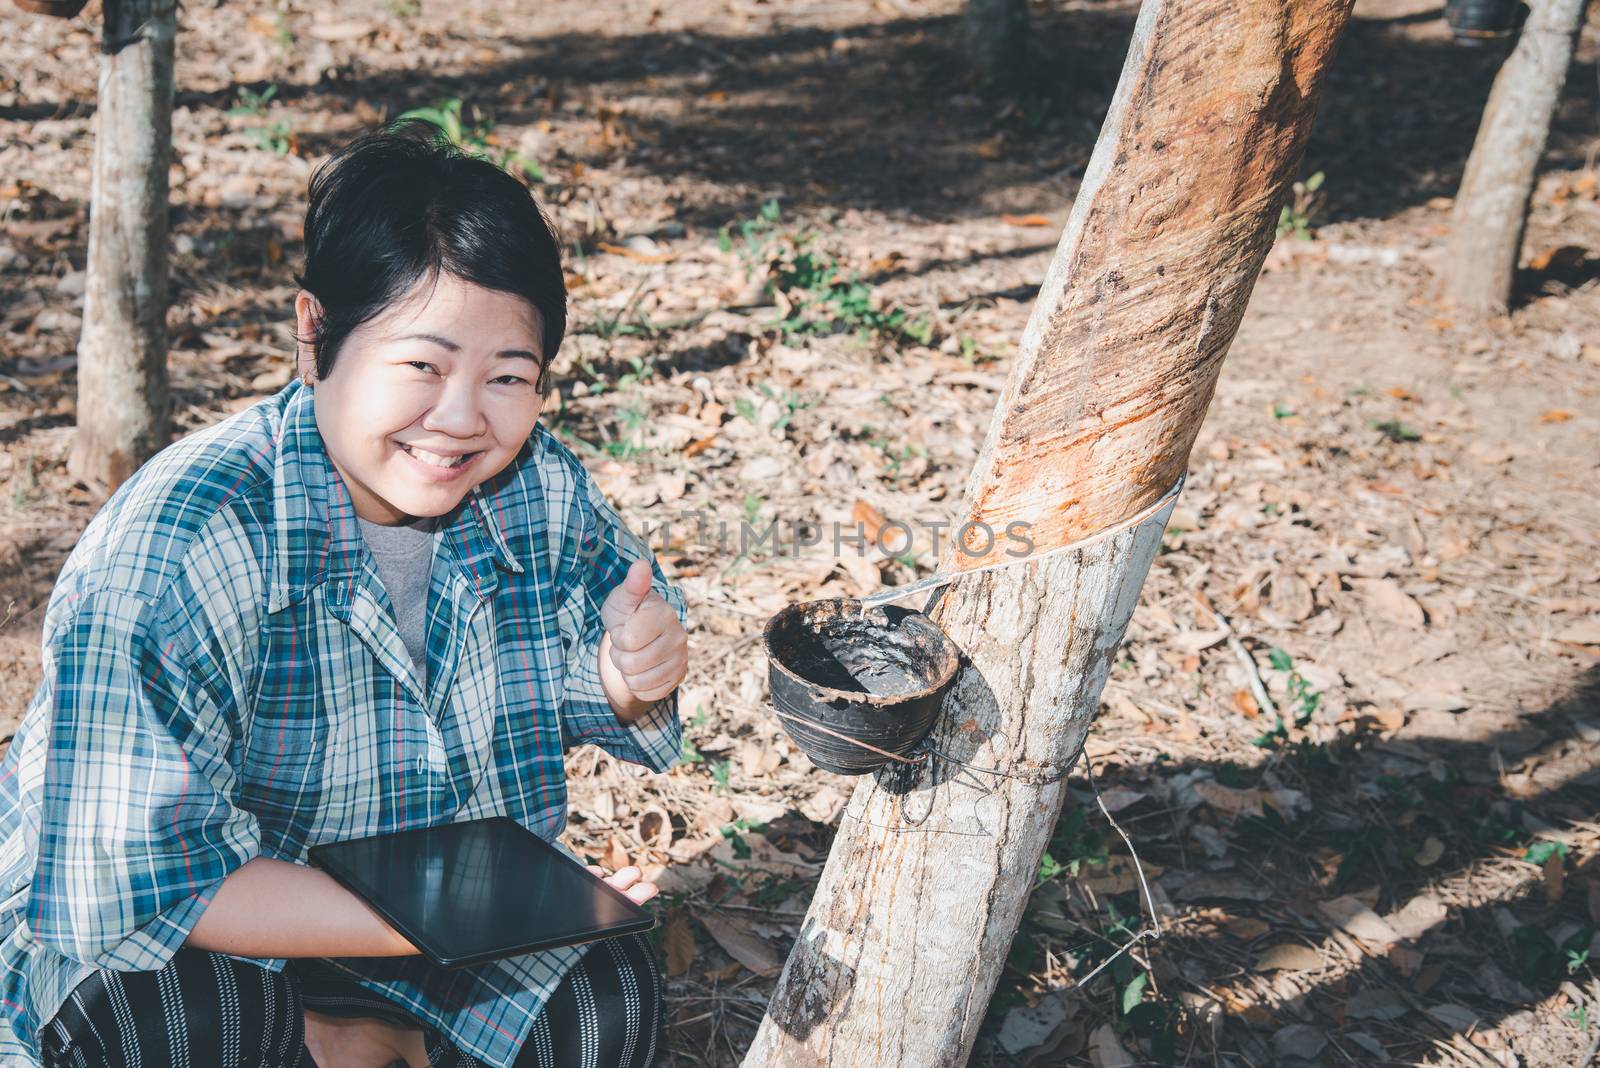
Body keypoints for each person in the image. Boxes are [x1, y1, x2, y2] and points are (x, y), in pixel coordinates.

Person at [0, 123, 691, 1068]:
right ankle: (339, 1038)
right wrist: (438, 920)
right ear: (314, 333)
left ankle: (357, 1035)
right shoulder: (184, 540)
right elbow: (134, 884)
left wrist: (624, 676)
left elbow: (593, 657)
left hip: (420, 914)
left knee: (602, 998)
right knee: (182, 1029)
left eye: (508, 377)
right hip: (212, 927)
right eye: (422, 365)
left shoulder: (541, 486)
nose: (460, 419)